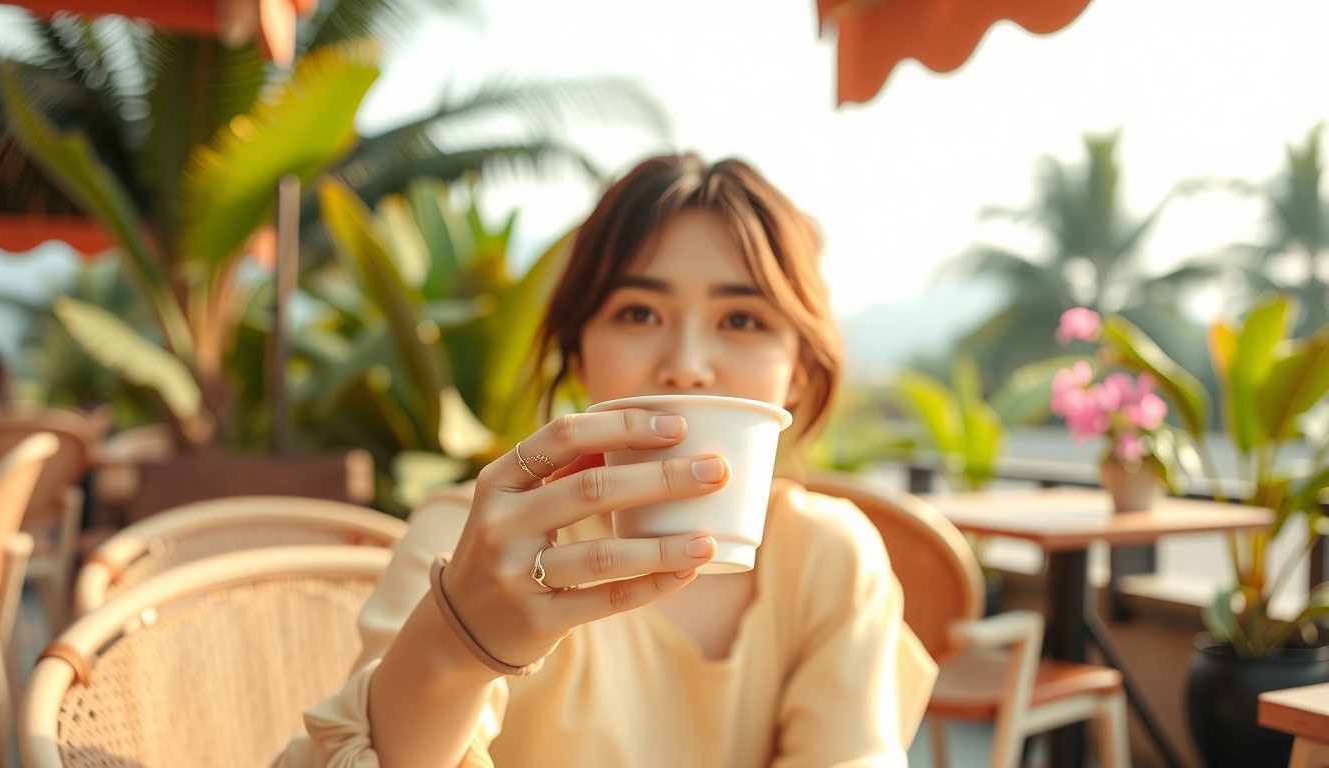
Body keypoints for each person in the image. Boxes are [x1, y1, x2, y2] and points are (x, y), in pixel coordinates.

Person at [273, 154, 937, 768]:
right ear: (579, 352)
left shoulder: (829, 555)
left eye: (742, 320)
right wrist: (457, 643)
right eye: (639, 312)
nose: (686, 365)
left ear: (799, 370)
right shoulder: (472, 544)